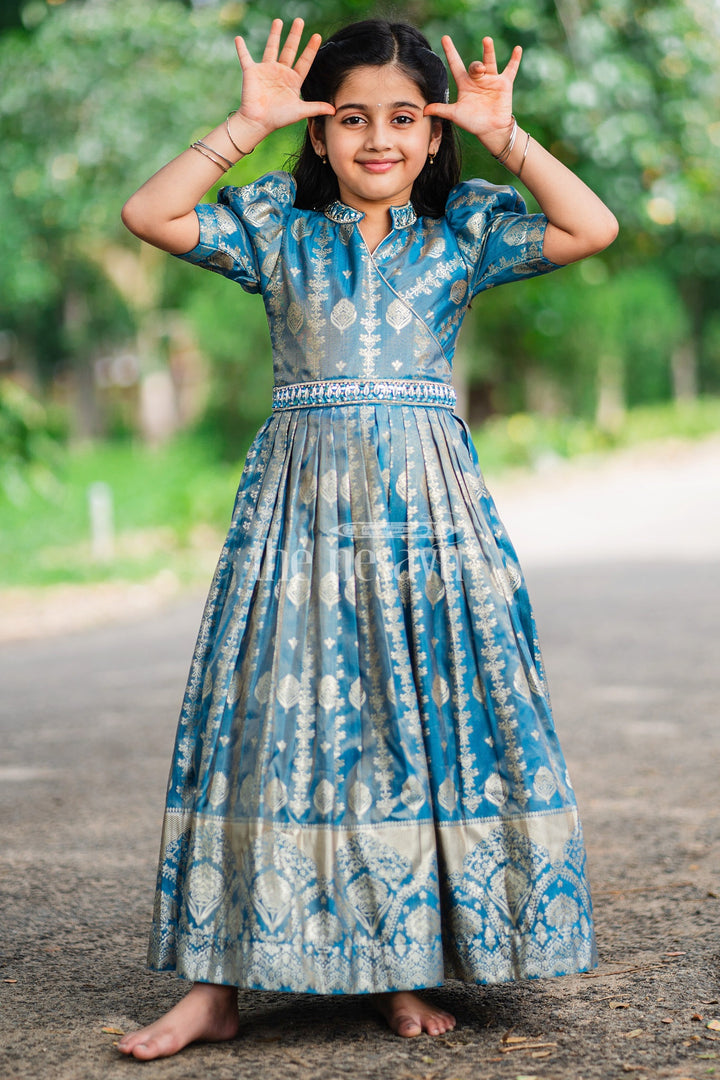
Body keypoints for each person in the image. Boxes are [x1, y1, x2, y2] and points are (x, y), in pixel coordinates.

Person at [118, 16, 618, 1060]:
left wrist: (506, 136)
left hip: (430, 516)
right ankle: (219, 986)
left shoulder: (466, 229)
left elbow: (590, 229)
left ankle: (403, 966)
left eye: (403, 119)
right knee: (270, 727)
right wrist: (243, 124)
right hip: (297, 513)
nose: (377, 139)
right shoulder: (275, 225)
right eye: (350, 119)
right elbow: (150, 213)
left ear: (435, 138)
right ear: (318, 134)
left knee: (419, 727)